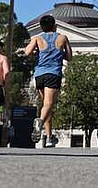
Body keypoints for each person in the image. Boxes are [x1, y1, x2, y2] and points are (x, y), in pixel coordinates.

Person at [25, 15, 72, 147]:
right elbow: (69, 57)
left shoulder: (37, 38)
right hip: (53, 74)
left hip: (39, 74)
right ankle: (39, 122)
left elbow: (27, 52)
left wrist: (36, 52)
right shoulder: (62, 38)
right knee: (49, 104)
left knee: (46, 106)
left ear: (41, 27)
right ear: (55, 25)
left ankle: (50, 137)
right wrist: (60, 53)